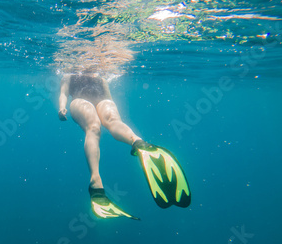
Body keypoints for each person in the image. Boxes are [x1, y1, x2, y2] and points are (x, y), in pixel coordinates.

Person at [58, 73, 191, 220]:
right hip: (80, 100)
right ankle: (137, 143)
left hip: (102, 100)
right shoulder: (70, 75)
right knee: (96, 126)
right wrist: (62, 107)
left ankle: (134, 146)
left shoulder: (100, 76)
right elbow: (64, 93)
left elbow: (108, 97)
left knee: (104, 124)